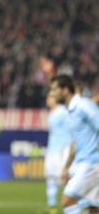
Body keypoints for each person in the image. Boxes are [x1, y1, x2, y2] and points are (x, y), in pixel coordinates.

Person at [49, 74, 99, 214]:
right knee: (93, 208)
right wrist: (66, 166)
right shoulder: (69, 111)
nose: (51, 94)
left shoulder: (83, 106)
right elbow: (75, 141)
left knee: (67, 202)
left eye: (54, 90)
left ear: (65, 90)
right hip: (84, 163)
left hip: (92, 164)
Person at [44, 92, 72, 213]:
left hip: (62, 150)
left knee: (64, 179)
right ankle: (52, 206)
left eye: (50, 97)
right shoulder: (53, 113)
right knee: (51, 178)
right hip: (52, 150)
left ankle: (71, 205)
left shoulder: (63, 112)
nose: (47, 99)